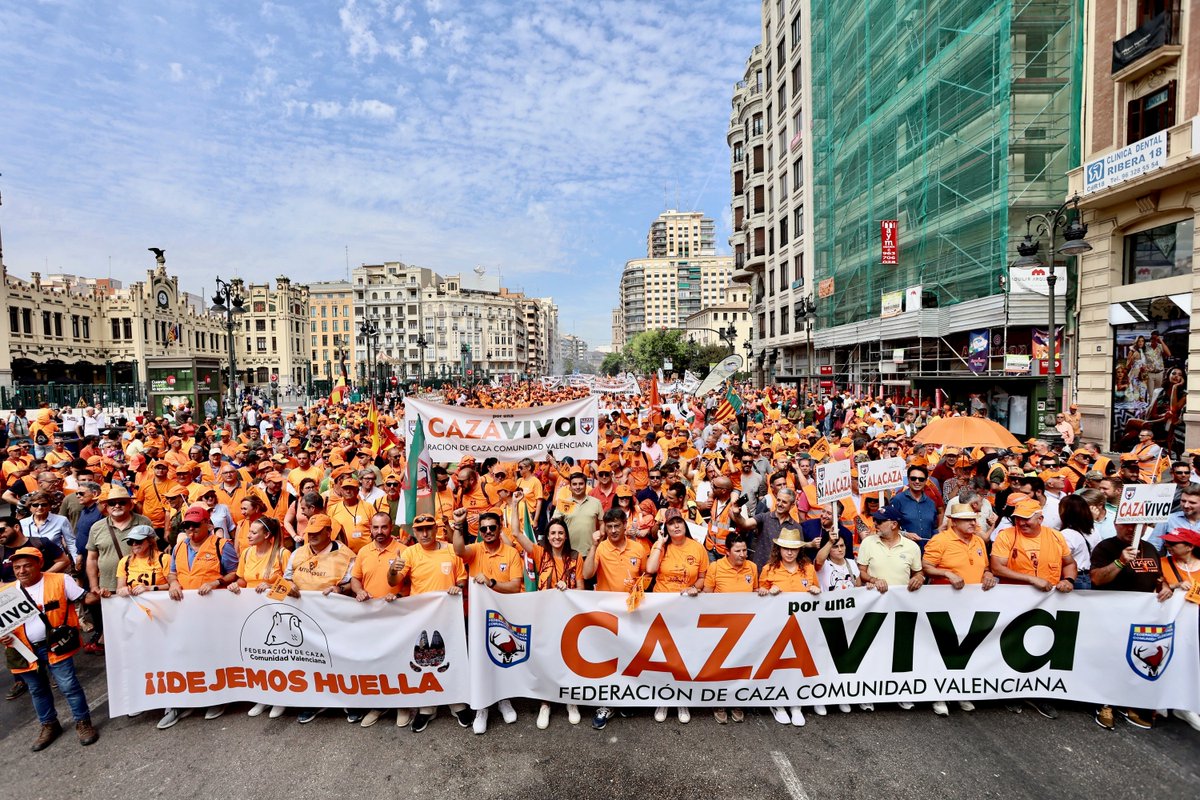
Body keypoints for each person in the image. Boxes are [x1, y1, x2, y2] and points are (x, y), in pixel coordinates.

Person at [1, 546, 99, 750]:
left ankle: (83, 723)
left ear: (40, 564)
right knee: (37, 690)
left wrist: (101, 594)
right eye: (17, 567)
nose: (21, 571)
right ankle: (49, 725)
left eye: (27, 565)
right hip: (23, 651)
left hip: (56, 646)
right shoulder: (7, 593)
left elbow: (85, 598)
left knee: (69, 686)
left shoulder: (60, 581)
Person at [157, 505, 239, 729]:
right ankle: (178, 703)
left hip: (213, 611)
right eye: (187, 525)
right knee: (182, 653)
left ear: (207, 525)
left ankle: (217, 698)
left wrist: (217, 582)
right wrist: (173, 583)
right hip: (183, 611)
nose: (191, 529)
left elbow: (235, 572)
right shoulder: (179, 547)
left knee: (212, 653)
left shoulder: (222, 545)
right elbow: (173, 572)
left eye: (195, 524)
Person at [387, 513, 469, 733]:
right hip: (421, 616)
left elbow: (461, 578)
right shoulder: (409, 552)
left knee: (450, 657)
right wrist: (392, 570)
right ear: (414, 532)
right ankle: (427, 708)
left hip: (448, 615)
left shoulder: (451, 549)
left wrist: (458, 587)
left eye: (428, 529)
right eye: (420, 530)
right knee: (422, 659)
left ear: (436, 529)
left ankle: (457, 702)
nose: (425, 533)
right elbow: (395, 582)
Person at [1089, 522, 1173, 730]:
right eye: (1127, 525)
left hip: (1141, 618)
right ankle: (1104, 704)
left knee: (1134, 661)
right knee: (1110, 660)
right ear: (1116, 524)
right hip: (1111, 616)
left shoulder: (1150, 548)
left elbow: (1157, 578)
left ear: (1145, 528)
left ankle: (1127, 703)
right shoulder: (1105, 547)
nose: (1132, 530)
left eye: (1138, 526)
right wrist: (1120, 562)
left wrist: (1165, 586)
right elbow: (1097, 579)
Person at [450, 508, 523, 734]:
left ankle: (504, 700)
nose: (489, 531)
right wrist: (459, 525)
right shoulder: (475, 550)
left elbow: (514, 585)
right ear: (479, 532)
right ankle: (482, 707)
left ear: (500, 528)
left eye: (492, 528)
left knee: (504, 658)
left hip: (506, 615)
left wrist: (492, 583)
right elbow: (458, 549)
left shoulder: (511, 553)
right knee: (480, 659)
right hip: (479, 616)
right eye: (484, 529)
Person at [920, 502, 997, 716]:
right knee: (945, 648)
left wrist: (988, 574)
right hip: (945, 604)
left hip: (972, 605)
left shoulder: (979, 541)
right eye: (968, 520)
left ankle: (961, 689)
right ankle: (939, 695)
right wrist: (947, 574)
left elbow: (986, 566)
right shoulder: (940, 541)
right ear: (954, 522)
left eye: (974, 519)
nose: (974, 523)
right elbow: (925, 566)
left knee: (967, 649)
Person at [582, 507, 645, 730]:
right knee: (607, 660)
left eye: (617, 525)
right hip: (607, 614)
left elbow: (646, 576)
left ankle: (624, 699)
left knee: (628, 658)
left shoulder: (638, 548)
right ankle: (605, 704)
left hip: (631, 613)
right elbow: (587, 575)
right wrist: (594, 546)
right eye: (609, 526)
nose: (613, 530)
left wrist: (638, 586)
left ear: (625, 525)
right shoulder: (601, 548)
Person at [645, 507, 707, 725]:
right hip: (663, 607)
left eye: (679, 522)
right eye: (671, 524)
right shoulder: (662, 546)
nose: (676, 526)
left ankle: (681, 698)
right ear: (666, 528)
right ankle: (663, 698)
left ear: (685, 525)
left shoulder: (698, 548)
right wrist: (660, 544)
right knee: (663, 654)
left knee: (683, 654)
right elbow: (651, 569)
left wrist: (696, 588)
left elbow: (702, 577)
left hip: (687, 608)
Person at [758, 526, 820, 726]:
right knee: (778, 665)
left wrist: (815, 590)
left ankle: (796, 704)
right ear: (779, 549)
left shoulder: (808, 568)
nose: (790, 552)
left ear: (799, 550)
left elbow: (818, 589)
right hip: (777, 628)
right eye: (786, 548)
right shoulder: (769, 569)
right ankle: (778, 703)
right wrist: (767, 591)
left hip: (802, 627)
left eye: (793, 548)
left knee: (798, 666)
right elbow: (759, 593)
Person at [84, 485, 152, 656]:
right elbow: (91, 558)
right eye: (112, 503)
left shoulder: (143, 522)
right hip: (108, 586)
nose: (117, 506)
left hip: (139, 585)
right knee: (116, 626)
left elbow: (154, 549)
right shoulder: (97, 527)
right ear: (106, 507)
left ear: (129, 505)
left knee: (143, 624)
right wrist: (93, 584)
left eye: (121, 502)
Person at [703, 531, 758, 724]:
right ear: (727, 551)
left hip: (744, 628)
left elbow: (756, 592)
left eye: (745, 550)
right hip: (721, 628)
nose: (743, 554)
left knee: (740, 666)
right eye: (738, 551)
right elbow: (706, 596)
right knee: (721, 667)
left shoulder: (752, 568)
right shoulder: (715, 568)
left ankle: (737, 701)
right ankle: (718, 702)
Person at [884, 466, 938, 546]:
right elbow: (887, 526)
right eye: (913, 478)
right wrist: (905, 534)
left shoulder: (931, 503)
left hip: (927, 551)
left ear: (926, 481)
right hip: (903, 550)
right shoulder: (897, 500)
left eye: (921, 479)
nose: (917, 481)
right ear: (908, 479)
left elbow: (933, 528)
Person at [114, 525, 170, 595]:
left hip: (157, 603)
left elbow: (173, 585)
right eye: (131, 541)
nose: (134, 544)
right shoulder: (125, 561)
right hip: (134, 604)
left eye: (138, 541)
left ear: (150, 541)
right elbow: (119, 589)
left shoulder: (164, 559)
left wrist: (150, 588)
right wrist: (123, 590)